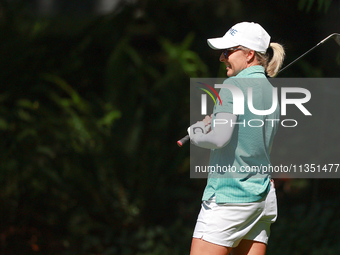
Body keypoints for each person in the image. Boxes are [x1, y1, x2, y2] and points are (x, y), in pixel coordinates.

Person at [188, 22, 285, 255]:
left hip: (229, 199)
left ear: (249, 54)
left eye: (227, 52)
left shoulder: (232, 85)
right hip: (261, 198)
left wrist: (197, 133)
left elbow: (219, 138)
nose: (222, 58)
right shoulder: (272, 91)